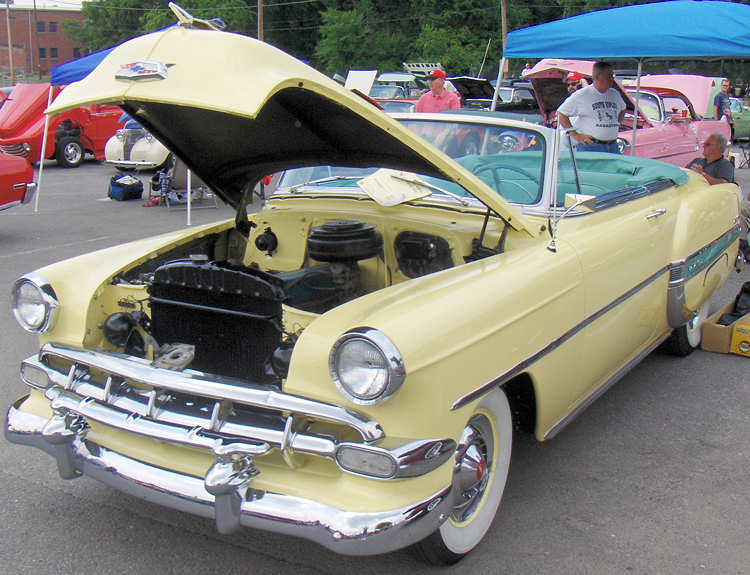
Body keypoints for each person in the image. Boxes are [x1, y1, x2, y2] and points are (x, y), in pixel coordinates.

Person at [557, 61, 626, 153]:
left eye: (612, 76)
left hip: (613, 145)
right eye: (609, 76)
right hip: (591, 146)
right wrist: (576, 135)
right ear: (597, 77)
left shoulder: (614, 94)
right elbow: (561, 113)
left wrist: (615, 123)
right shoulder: (582, 95)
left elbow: (623, 108)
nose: (612, 79)